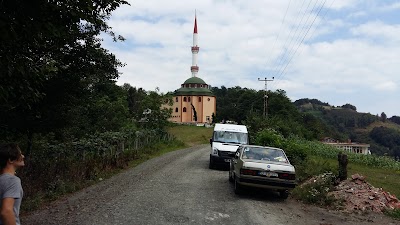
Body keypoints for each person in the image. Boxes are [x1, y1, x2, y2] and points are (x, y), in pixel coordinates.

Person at [0, 143, 25, 225]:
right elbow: (6, 212)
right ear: (10, 160)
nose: (23, 156)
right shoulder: (12, 181)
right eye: (20, 154)